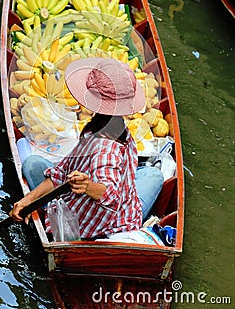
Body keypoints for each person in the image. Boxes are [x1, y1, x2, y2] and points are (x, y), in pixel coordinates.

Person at [9, 58, 164, 239]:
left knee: (32, 163)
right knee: (154, 174)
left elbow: (110, 195)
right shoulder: (109, 131)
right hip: (106, 217)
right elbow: (61, 173)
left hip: (103, 226)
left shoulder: (105, 146)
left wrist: (88, 186)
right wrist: (27, 200)